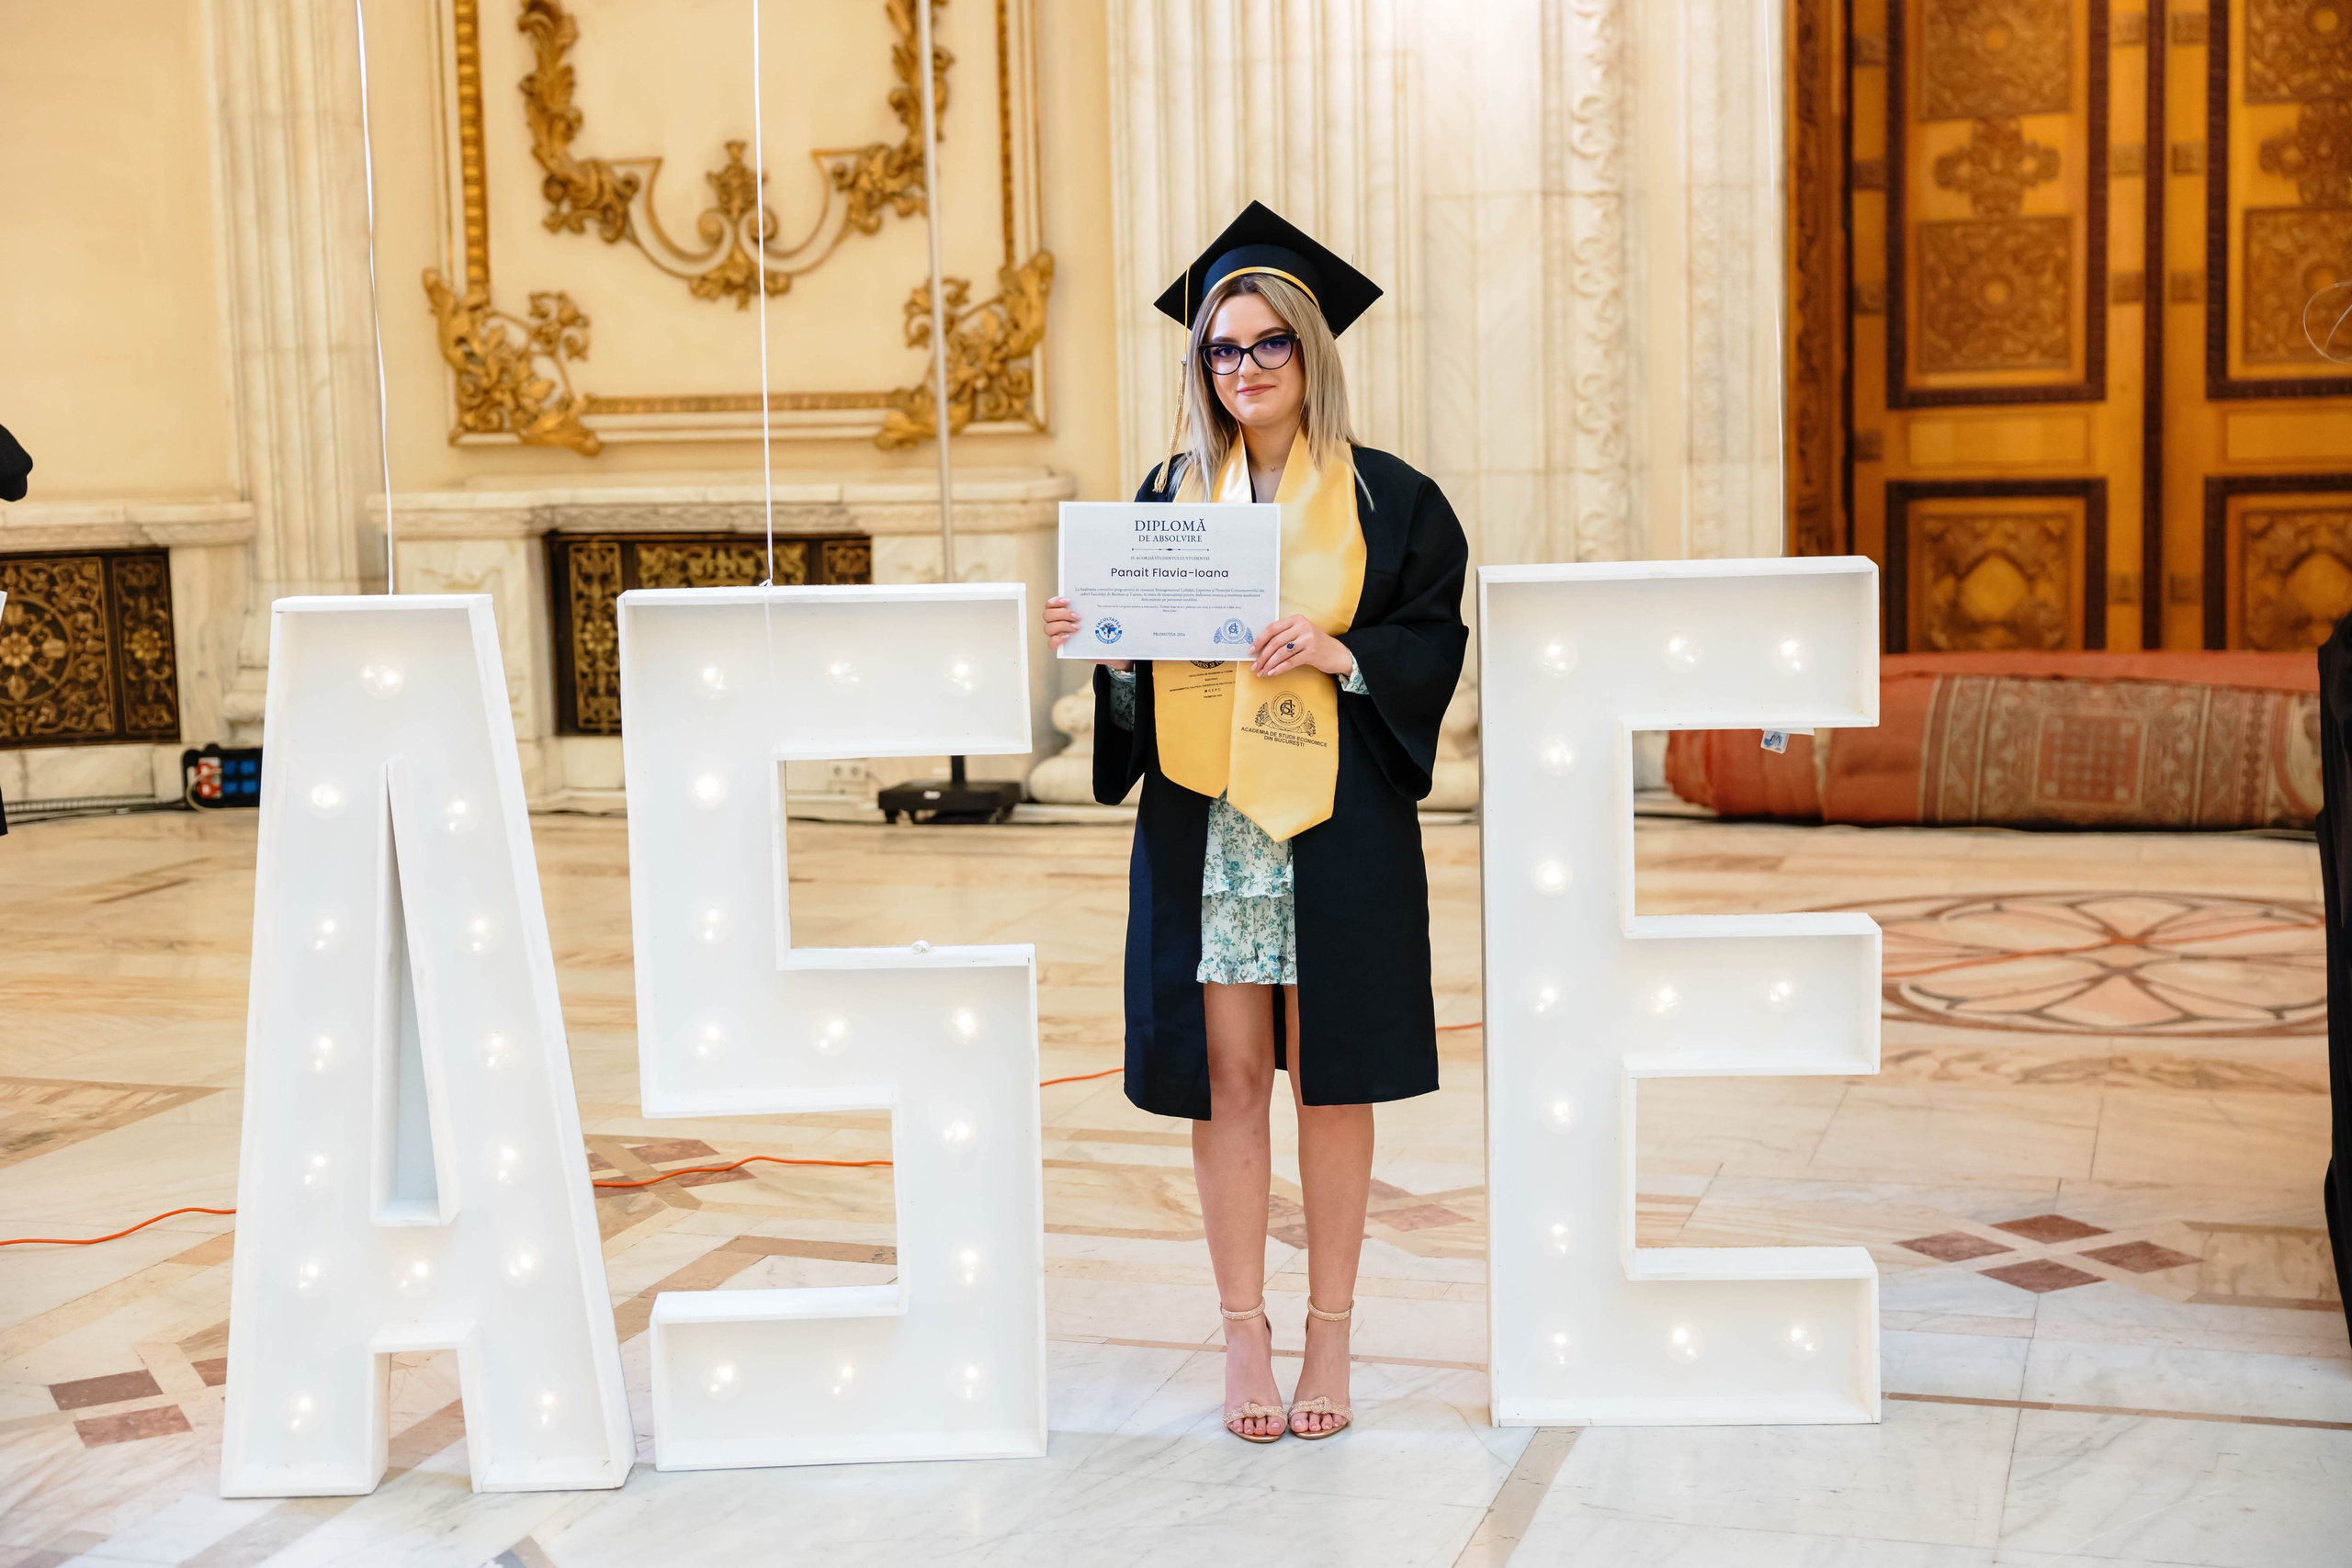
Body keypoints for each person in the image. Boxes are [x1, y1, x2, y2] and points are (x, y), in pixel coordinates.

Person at [1044, 203, 1468, 1442]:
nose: (1244, 369)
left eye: (1267, 344)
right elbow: (1138, 672)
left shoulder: (1396, 503)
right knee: (1227, 1077)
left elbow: (1430, 643)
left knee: (1330, 1081)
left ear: (1312, 351)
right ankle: (1244, 1334)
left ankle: (1331, 1330)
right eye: (1222, 350)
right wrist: (1106, 651)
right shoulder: (1167, 499)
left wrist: (1345, 651)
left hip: (1338, 819)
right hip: (1210, 819)